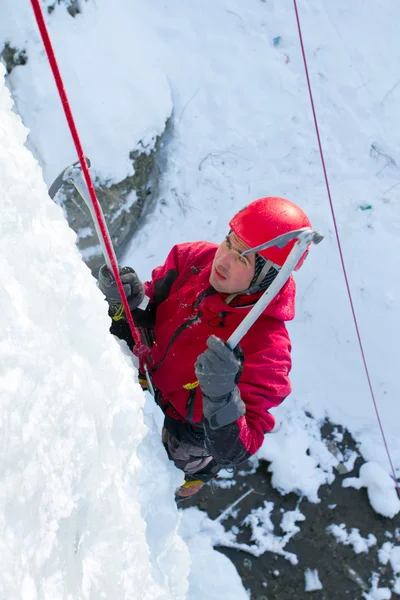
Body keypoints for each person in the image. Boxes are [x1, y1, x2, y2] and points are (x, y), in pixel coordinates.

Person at [98, 196, 312, 501]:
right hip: (154, 367)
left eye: (242, 258)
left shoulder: (268, 349)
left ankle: (186, 484)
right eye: (228, 242)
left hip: (190, 425)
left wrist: (222, 396)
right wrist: (132, 298)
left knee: (179, 463)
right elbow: (154, 304)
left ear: (268, 277)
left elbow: (241, 447)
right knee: (115, 320)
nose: (222, 260)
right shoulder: (194, 259)